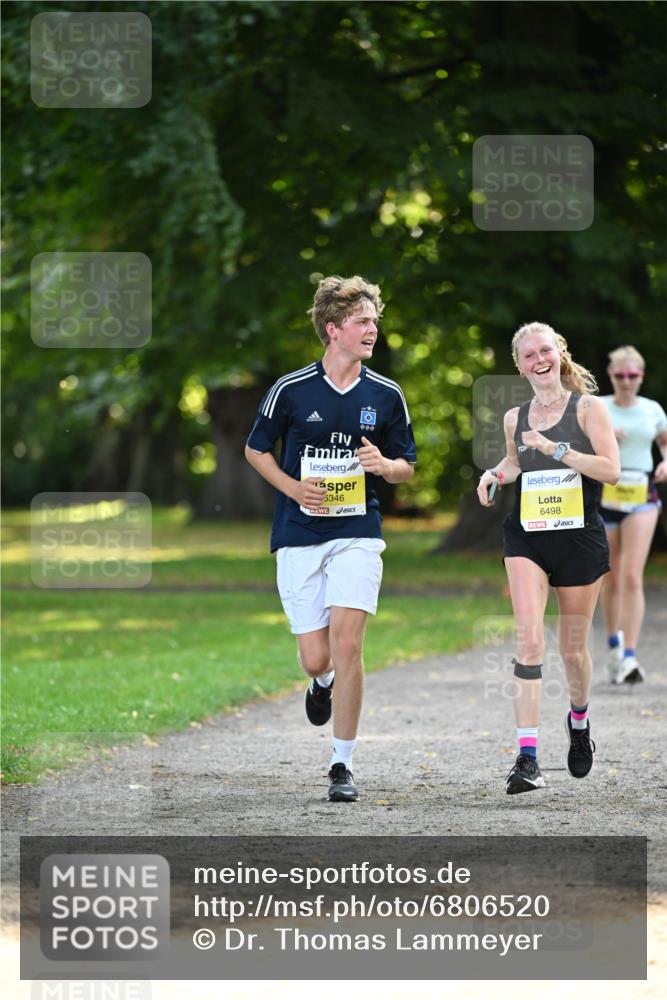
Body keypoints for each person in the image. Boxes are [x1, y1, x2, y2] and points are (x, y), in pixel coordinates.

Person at [245, 275, 416, 802]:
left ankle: (342, 764)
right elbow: (256, 450)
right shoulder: (291, 389)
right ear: (333, 328)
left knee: (349, 645)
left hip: (357, 532)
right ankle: (319, 684)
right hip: (299, 533)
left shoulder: (386, 394)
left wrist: (385, 466)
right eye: (362, 322)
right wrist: (294, 488)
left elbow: (406, 466)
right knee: (318, 658)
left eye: (374, 321)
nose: (372, 330)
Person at [477, 322, 620, 795]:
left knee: (572, 651)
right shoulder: (515, 417)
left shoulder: (588, 409)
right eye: (528, 355)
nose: (539, 360)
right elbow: (517, 463)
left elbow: (611, 471)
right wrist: (493, 474)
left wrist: (557, 448)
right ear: (519, 366)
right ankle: (527, 758)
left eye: (545, 351)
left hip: (579, 540)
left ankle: (578, 722)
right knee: (530, 641)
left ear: (559, 353)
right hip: (528, 537)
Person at [599, 345, 667, 684]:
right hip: (606, 495)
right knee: (610, 576)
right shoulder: (598, 407)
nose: (626, 381)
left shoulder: (652, 409)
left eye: (633, 375)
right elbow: (576, 442)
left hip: (641, 493)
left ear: (641, 376)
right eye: (620, 375)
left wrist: (666, 462)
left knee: (631, 575)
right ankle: (613, 645)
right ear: (611, 375)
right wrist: (603, 435)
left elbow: (665, 441)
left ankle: (630, 656)